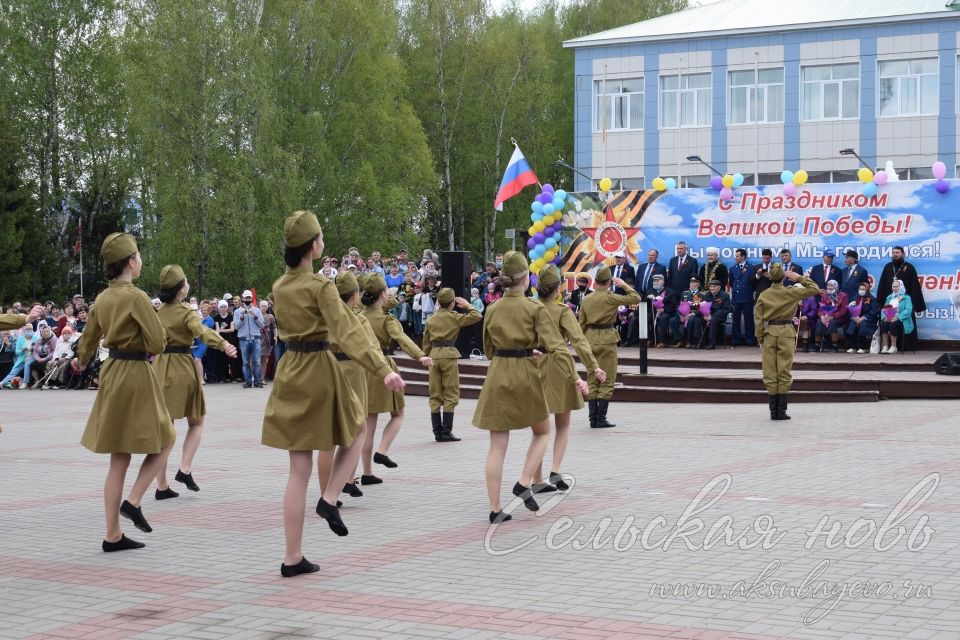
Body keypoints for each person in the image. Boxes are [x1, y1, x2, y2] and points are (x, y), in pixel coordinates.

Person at [262, 211, 403, 578]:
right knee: (357, 431)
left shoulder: (280, 287)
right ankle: (329, 498)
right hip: (318, 369)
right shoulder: (320, 287)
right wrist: (383, 369)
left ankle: (292, 557)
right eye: (321, 237)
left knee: (298, 469)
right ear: (313, 246)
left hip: (289, 369)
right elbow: (347, 331)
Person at [72, 232, 174, 552]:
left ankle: (112, 534)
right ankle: (133, 500)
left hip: (111, 372)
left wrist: (79, 359)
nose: (141, 260)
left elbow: (88, 339)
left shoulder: (102, 298)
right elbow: (158, 342)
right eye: (139, 255)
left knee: (119, 457)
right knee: (166, 438)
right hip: (136, 374)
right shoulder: (136, 296)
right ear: (131, 262)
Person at [472, 252, 586, 523]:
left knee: (497, 445)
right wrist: (575, 377)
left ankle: (495, 508)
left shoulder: (492, 308)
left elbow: (488, 349)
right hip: (525, 372)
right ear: (525, 278)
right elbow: (557, 347)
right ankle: (524, 482)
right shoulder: (534, 308)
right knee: (543, 432)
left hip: (498, 371)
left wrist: (512, 351)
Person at [152, 265, 238, 500]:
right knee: (196, 422)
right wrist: (223, 344)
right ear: (181, 290)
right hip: (181, 365)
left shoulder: (158, 313)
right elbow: (200, 331)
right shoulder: (186, 311)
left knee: (164, 428)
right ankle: (185, 468)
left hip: (160, 367)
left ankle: (161, 485)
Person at [531, 265, 604, 493]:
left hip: (532, 364)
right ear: (558, 287)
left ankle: (536, 479)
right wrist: (594, 366)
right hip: (558, 365)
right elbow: (579, 340)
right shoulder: (562, 310)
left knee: (539, 429)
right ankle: (555, 471)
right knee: (563, 425)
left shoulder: (529, 307)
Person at [319, 271, 390, 499]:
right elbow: (371, 349)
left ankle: (326, 494)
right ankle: (345, 481)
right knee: (356, 431)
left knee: (327, 437)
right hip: (353, 371)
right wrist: (384, 371)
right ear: (355, 295)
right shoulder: (358, 319)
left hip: (327, 371)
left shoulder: (323, 317)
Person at [361, 273, 432, 480]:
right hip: (382, 367)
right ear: (383, 295)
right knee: (398, 414)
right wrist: (421, 356)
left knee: (367, 426)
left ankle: (363, 474)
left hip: (361, 368)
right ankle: (382, 452)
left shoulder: (358, 315)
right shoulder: (386, 319)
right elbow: (402, 339)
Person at [754, 264, 819, 420]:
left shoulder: (764, 295)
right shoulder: (791, 292)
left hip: (769, 333)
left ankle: (773, 412)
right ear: (784, 277)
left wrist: (760, 337)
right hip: (786, 333)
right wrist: (799, 278)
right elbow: (815, 289)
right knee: (784, 369)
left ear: (770, 277)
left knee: (769, 370)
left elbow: (759, 319)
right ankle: (781, 411)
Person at [578, 264, 640, 428]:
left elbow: (581, 324)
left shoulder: (586, 299)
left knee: (592, 378)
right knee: (607, 378)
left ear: (596, 282)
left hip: (590, 338)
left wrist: (583, 342)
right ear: (609, 282)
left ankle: (592, 419)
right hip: (607, 339)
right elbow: (635, 298)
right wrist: (623, 284)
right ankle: (601, 418)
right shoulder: (611, 297)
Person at [422, 288, 482, 442]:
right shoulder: (454, 316)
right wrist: (467, 305)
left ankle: (437, 432)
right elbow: (477, 316)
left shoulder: (431, 319)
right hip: (449, 356)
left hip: (434, 356)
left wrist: (426, 356)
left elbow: (426, 342)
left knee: (435, 394)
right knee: (451, 393)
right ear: (452, 303)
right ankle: (446, 432)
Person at [876, 246, 926, 345]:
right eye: (893, 252)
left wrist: (916, 304)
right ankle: (888, 345)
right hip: (889, 301)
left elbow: (915, 286)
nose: (895, 254)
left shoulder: (909, 267)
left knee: (903, 320)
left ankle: (906, 345)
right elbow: (882, 284)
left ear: (903, 254)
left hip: (904, 302)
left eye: (897, 252)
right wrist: (880, 301)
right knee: (886, 322)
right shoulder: (888, 266)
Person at [234, 290, 265, 388]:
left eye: (249, 298)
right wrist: (242, 317)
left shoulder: (257, 310)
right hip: (243, 339)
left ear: (251, 298)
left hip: (255, 338)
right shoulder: (237, 311)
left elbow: (262, 325)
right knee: (246, 362)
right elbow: (236, 327)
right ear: (242, 298)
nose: (247, 300)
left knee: (256, 361)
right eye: (246, 298)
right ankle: (247, 381)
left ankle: (257, 381)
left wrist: (255, 317)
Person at [670, 276, 706, 349]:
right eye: (691, 283)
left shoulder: (701, 294)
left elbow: (702, 308)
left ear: (698, 284)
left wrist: (691, 314)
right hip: (683, 314)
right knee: (673, 320)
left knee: (690, 320)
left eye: (694, 283)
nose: (692, 285)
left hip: (694, 315)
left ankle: (689, 341)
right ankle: (679, 340)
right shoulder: (685, 293)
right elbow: (680, 305)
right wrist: (680, 315)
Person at [729, 249, 756, 346]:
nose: (735, 257)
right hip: (736, 297)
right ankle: (736, 339)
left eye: (737, 256)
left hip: (747, 297)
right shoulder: (732, 268)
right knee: (736, 319)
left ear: (743, 256)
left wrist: (748, 290)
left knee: (749, 319)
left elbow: (753, 283)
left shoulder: (752, 267)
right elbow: (732, 282)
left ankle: (750, 340)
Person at [879, 278, 914, 354]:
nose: (894, 288)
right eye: (893, 286)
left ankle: (894, 347)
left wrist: (897, 317)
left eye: (896, 286)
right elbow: (884, 308)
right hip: (889, 317)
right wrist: (884, 317)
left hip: (902, 319)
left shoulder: (906, 297)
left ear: (901, 286)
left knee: (893, 323)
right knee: (883, 323)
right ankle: (885, 346)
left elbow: (908, 310)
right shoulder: (889, 297)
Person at [813, 280, 849, 353]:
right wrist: (822, 316)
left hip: (838, 318)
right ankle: (817, 344)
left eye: (832, 285)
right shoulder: (824, 295)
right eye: (828, 285)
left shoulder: (843, 295)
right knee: (819, 322)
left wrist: (833, 316)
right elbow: (820, 309)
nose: (829, 287)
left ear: (836, 286)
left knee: (832, 322)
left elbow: (844, 310)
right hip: (826, 317)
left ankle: (834, 345)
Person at [845, 283, 879, 353]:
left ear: (867, 290)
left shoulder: (872, 299)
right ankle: (853, 347)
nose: (861, 291)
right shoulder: (855, 298)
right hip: (856, 318)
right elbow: (850, 309)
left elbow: (874, 312)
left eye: (863, 289)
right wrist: (853, 317)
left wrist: (863, 317)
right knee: (852, 324)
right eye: (860, 289)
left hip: (868, 320)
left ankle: (862, 347)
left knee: (863, 324)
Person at [647, 274, 677, 347]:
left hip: (666, 312)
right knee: (646, 317)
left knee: (663, 318)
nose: (655, 282)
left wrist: (663, 309)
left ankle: (662, 341)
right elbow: (646, 305)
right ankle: (648, 339)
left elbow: (673, 306)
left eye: (658, 280)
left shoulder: (670, 292)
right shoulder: (650, 291)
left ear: (663, 282)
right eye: (654, 281)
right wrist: (647, 298)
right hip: (653, 312)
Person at [211, 301, 236, 382]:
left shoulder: (231, 316)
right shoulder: (216, 317)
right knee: (221, 359)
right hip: (220, 340)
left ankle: (232, 376)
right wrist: (224, 330)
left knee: (231, 359)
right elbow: (217, 330)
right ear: (219, 308)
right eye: (221, 307)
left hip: (230, 339)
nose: (223, 308)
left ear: (227, 308)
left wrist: (222, 330)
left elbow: (232, 329)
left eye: (225, 307)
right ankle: (221, 377)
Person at [703, 279, 731, 350]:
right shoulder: (707, 295)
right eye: (711, 286)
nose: (712, 288)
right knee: (697, 319)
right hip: (708, 315)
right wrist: (705, 315)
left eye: (714, 286)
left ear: (719, 287)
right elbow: (704, 306)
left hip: (720, 317)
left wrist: (712, 316)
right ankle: (700, 342)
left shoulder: (725, 296)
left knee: (713, 320)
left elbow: (726, 309)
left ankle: (711, 343)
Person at [259, 300, 277, 381]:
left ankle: (262, 378)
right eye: (262, 306)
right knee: (256, 360)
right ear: (259, 306)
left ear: (267, 307)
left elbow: (274, 327)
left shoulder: (270, 316)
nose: (264, 307)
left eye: (265, 306)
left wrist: (275, 335)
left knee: (264, 360)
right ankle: (256, 378)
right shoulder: (255, 315)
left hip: (267, 340)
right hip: (257, 339)